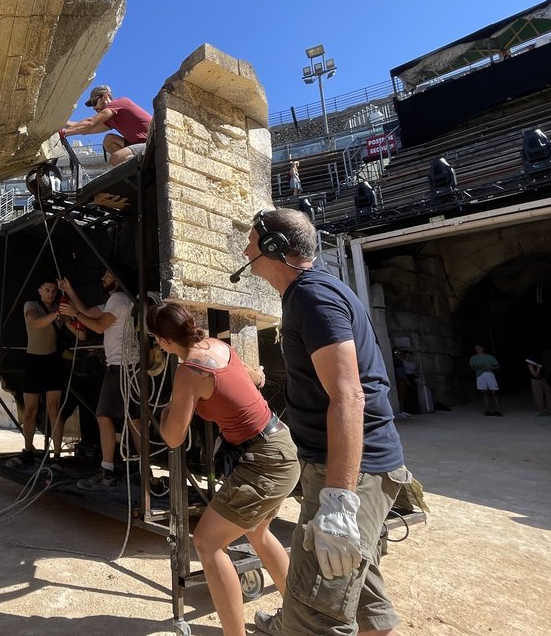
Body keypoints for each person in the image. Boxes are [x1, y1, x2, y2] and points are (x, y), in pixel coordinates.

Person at [241, 208, 410, 636]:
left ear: (274, 248)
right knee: (362, 597)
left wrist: (338, 501)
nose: (245, 249)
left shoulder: (311, 297)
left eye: (251, 241)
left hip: (355, 473)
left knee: (314, 615)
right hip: (355, 465)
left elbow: (349, 395)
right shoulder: (311, 293)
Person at [148, 302, 300, 636]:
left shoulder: (189, 372)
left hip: (264, 461)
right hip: (281, 447)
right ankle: (300, 622)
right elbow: (256, 377)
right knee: (258, 532)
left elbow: (173, 437)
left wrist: (164, 410)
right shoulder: (219, 346)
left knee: (206, 542)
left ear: (163, 341)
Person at [57, 267, 141, 490]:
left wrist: (74, 314)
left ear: (118, 278)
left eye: (107, 274)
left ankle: (107, 471)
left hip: (120, 366)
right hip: (129, 366)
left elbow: (98, 325)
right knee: (135, 419)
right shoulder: (118, 301)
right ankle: (142, 470)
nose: (102, 278)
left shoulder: (118, 298)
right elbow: (88, 311)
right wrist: (69, 291)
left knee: (103, 415)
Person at [10, 280, 72, 467]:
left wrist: (74, 317)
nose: (51, 293)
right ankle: (28, 450)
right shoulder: (32, 306)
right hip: (34, 361)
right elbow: (36, 323)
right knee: (30, 411)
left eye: (53, 290)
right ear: (40, 291)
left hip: (52, 361)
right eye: (47, 290)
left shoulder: (60, 311)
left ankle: (57, 455)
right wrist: (57, 314)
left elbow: (78, 332)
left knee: (54, 409)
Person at [60, 84, 151, 167]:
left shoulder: (119, 103)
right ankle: (132, 166)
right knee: (109, 140)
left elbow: (91, 122)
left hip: (151, 144)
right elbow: (86, 129)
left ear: (105, 96)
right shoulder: (111, 120)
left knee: (116, 157)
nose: (94, 108)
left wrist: (63, 133)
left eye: (94, 102)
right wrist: (61, 123)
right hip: (139, 145)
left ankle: (139, 167)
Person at [470, 344, 501, 416]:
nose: (477, 349)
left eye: (479, 347)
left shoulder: (489, 357)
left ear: (483, 348)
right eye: (476, 348)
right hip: (480, 376)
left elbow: (497, 366)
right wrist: (477, 367)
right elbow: (471, 368)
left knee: (494, 393)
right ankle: (488, 410)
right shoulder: (473, 358)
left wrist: (490, 367)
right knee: (484, 393)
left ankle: (498, 410)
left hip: (490, 375)